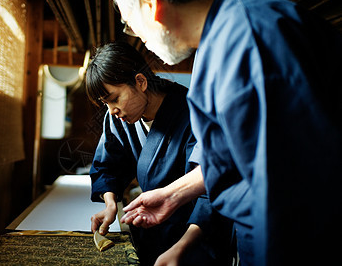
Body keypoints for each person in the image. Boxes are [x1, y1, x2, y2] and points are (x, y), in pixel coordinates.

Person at [108, 0, 342, 266]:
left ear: (149, 1)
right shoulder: (218, 44)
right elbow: (230, 157)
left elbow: (285, 183)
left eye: (130, 24)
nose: (137, 35)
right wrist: (172, 194)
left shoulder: (250, 37)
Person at [86, 42, 234, 266]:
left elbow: (210, 191)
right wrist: (110, 205)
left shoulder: (192, 112)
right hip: (151, 231)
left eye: (115, 99)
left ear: (140, 82)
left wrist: (181, 249)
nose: (112, 111)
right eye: (105, 104)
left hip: (196, 236)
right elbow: (107, 166)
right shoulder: (119, 118)